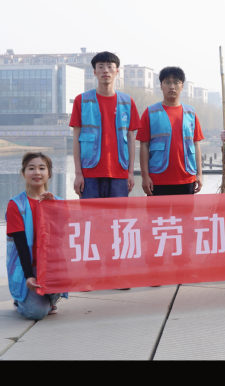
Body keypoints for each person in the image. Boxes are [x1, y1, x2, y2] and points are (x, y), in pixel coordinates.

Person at [69, 51, 140, 198]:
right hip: (89, 173)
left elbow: (131, 139)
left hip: (119, 173)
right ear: (94, 72)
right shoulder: (81, 101)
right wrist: (78, 173)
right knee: (90, 212)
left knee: (118, 213)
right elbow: (76, 138)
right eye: (100, 67)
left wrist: (130, 172)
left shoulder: (127, 102)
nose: (105, 70)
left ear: (117, 71)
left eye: (109, 66)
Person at [5, 152, 67, 320]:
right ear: (23, 173)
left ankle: (49, 298)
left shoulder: (58, 201)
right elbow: (21, 244)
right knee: (36, 313)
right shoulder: (16, 205)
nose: (37, 173)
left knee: (47, 299)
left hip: (50, 265)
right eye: (31, 168)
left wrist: (53, 208)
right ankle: (22, 301)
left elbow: (63, 237)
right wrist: (28, 276)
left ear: (49, 173)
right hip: (27, 266)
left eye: (42, 168)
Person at [137, 67, 204, 196]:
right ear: (161, 86)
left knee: (186, 210)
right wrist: (145, 177)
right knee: (157, 210)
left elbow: (196, 144)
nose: (172, 86)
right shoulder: (150, 112)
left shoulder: (191, 113)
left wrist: (199, 174)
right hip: (158, 179)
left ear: (182, 86)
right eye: (167, 82)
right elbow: (144, 145)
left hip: (187, 178)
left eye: (176, 82)